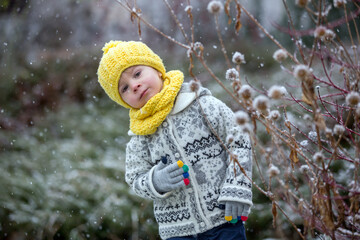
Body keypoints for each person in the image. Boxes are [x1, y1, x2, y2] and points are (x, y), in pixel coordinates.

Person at [97, 40, 253, 240]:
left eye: (137, 74)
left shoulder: (201, 104)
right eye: (124, 88)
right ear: (122, 100)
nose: (134, 86)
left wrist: (237, 187)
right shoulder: (140, 135)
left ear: (157, 70)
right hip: (178, 230)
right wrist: (155, 181)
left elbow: (239, 138)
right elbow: (135, 177)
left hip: (224, 219)